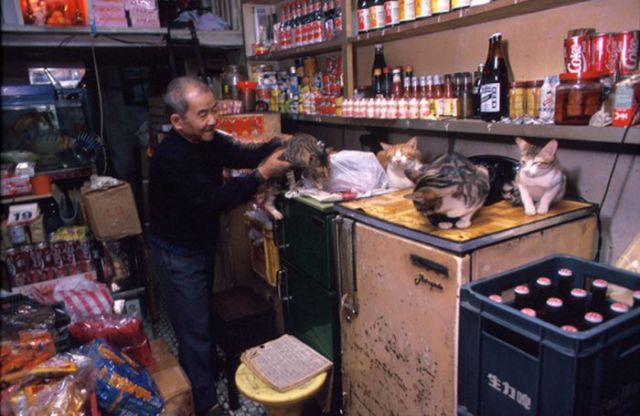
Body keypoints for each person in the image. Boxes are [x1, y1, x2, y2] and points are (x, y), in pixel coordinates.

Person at [148, 76, 291, 415]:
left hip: (199, 244)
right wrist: (260, 175)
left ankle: (205, 374)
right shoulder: (172, 157)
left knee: (200, 318)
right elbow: (211, 200)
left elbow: (241, 154)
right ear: (177, 122)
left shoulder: (207, 140)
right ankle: (207, 404)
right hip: (177, 253)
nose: (213, 120)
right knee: (193, 330)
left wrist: (275, 146)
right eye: (202, 114)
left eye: (213, 110)